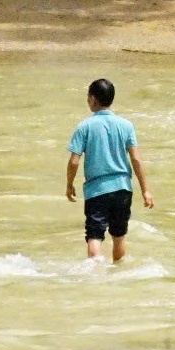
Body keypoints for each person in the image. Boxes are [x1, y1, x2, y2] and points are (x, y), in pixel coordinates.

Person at [66, 78, 154, 262]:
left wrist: (69, 184)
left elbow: (74, 161)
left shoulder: (84, 127)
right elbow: (136, 159)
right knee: (119, 235)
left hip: (96, 191)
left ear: (92, 98)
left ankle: (96, 276)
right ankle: (118, 274)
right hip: (123, 189)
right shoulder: (126, 125)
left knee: (94, 236)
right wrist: (145, 190)